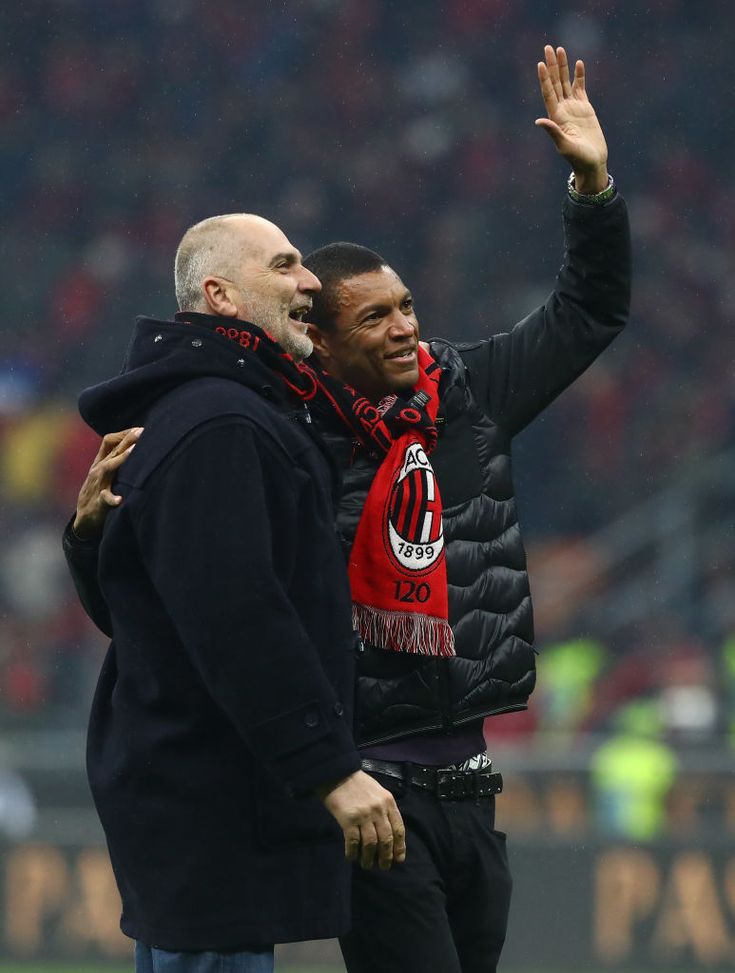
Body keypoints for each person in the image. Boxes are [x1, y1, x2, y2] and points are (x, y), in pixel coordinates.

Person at [64, 46, 631, 972]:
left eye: (407, 308)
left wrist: (593, 188)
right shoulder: (282, 430)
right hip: (364, 771)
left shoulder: (467, 396)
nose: (406, 328)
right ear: (316, 343)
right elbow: (184, 587)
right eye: (373, 318)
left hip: (469, 778)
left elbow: (587, 313)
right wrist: (90, 538)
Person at [64, 213, 405, 973]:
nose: (309, 282)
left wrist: (88, 541)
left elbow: (143, 610)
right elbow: (234, 615)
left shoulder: (194, 413)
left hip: (192, 805)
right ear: (220, 294)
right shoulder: (221, 423)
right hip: (211, 804)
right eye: (284, 266)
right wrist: (329, 767)